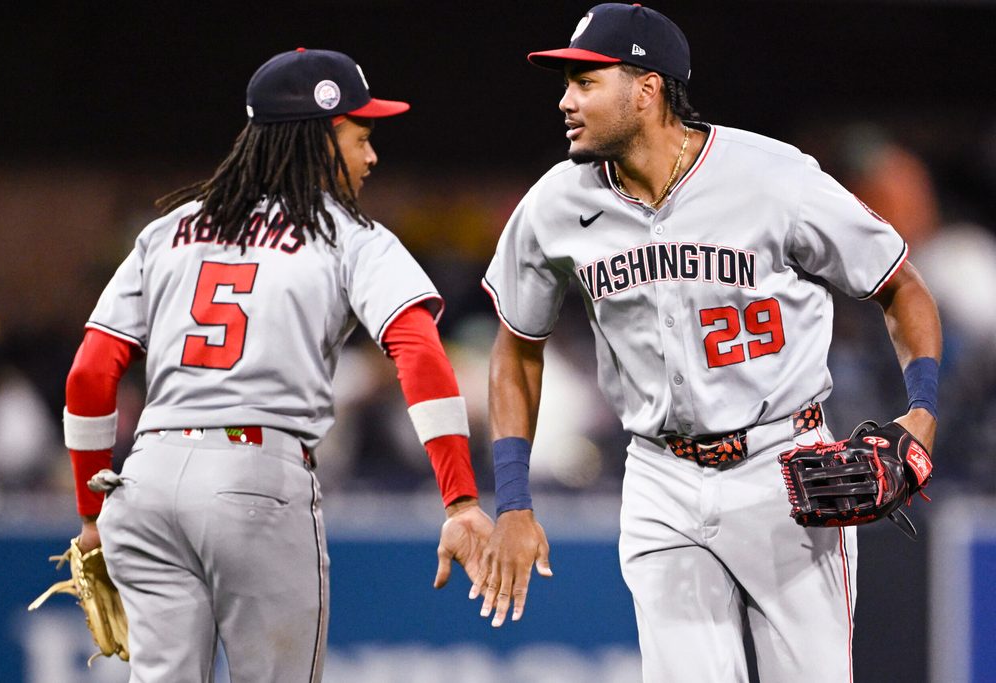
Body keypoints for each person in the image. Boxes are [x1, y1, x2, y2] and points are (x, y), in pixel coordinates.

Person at [474, 4, 942, 682]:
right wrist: (513, 499)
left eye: (585, 82)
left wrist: (921, 412)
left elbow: (902, 285)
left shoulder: (771, 176)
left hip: (785, 467)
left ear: (647, 88)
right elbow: (516, 348)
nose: (565, 100)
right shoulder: (553, 205)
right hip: (660, 479)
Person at [62, 48, 493, 682]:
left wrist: (92, 514)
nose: (372, 157)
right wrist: (459, 499)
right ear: (321, 137)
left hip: (145, 480)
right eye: (360, 136)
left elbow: (90, 374)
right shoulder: (350, 237)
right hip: (255, 476)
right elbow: (419, 352)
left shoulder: (166, 232)